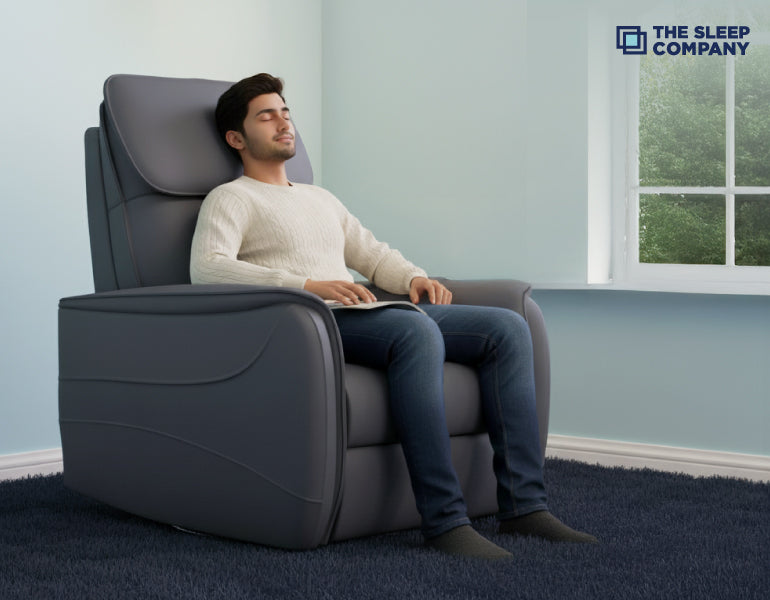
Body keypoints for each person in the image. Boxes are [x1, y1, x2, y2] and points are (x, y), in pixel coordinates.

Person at [190, 73, 597, 559]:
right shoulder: (231, 197)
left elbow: (371, 254)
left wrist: (411, 279)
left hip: (364, 309)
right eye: (266, 115)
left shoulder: (320, 198)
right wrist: (307, 285)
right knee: (413, 329)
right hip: (312, 320)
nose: (284, 122)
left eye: (285, 111)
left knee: (505, 328)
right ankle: (445, 520)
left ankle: (525, 507)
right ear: (237, 138)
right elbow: (208, 268)